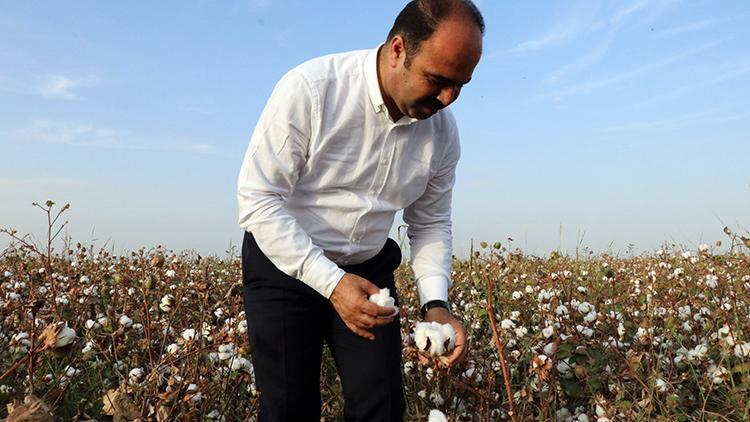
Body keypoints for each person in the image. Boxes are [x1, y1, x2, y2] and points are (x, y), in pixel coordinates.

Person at [237, 1, 484, 420]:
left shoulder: (442, 133)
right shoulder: (312, 90)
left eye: (461, 85)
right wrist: (332, 284)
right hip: (285, 266)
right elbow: (258, 198)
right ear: (398, 49)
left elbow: (430, 222)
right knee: (287, 409)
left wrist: (435, 303)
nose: (447, 98)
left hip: (369, 272)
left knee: (382, 407)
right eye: (438, 80)